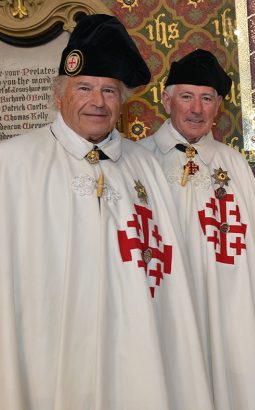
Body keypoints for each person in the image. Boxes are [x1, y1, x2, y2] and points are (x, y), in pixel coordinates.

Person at [0, 14, 212, 409]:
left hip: (135, 350)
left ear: (122, 102)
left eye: (109, 91)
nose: (97, 102)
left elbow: (169, 278)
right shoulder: (12, 164)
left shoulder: (143, 166)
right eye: (84, 88)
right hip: (49, 354)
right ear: (58, 95)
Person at [139, 49, 255, 409]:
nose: (196, 109)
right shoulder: (140, 162)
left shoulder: (233, 164)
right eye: (187, 97)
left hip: (232, 310)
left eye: (207, 99)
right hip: (166, 303)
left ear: (218, 107)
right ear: (167, 100)